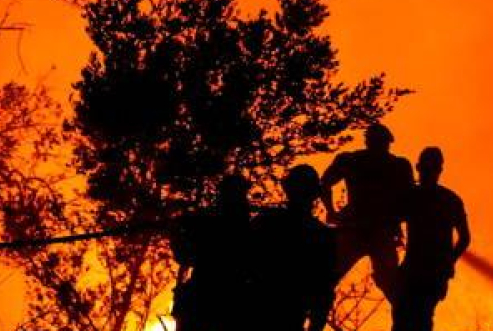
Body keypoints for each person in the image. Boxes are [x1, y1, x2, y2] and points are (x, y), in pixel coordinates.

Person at [320, 123, 415, 300]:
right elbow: (410, 203)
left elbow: (325, 183)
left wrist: (333, 212)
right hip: (367, 231)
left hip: (367, 230)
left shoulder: (352, 161)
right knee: (391, 285)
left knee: (329, 279)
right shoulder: (397, 166)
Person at [392, 147, 471, 331]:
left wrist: (447, 262)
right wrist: (448, 262)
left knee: (408, 319)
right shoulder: (450, 199)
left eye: (429, 169)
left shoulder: (413, 196)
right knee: (418, 319)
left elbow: (393, 218)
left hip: (420, 273)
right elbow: (465, 239)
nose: (427, 173)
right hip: (426, 273)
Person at [251, 164, 337, 331]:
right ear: (316, 194)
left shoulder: (265, 222)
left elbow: (324, 289)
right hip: (263, 311)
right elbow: (324, 291)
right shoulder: (321, 235)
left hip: (268, 313)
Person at [171, 174, 253, 331]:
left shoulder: (211, 223)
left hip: (217, 301)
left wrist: (177, 234)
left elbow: (184, 256)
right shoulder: (210, 222)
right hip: (213, 302)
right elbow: (184, 256)